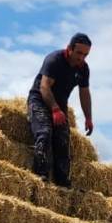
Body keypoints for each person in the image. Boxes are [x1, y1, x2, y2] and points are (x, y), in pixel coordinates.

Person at [29, 33, 94, 187]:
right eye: (79, 53)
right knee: (44, 133)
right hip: (40, 101)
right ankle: (40, 178)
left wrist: (88, 118)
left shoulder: (83, 69)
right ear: (69, 49)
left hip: (60, 106)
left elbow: (84, 93)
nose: (82, 58)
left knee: (63, 142)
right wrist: (55, 109)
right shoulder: (55, 59)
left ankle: (63, 184)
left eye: (86, 55)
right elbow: (44, 87)